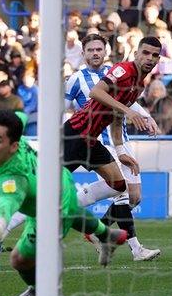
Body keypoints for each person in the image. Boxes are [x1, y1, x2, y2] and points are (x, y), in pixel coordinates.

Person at [0, 110, 128, 296]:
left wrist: (0, 224)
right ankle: (107, 234)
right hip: (60, 177)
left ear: (13, 146)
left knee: (19, 259)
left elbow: (7, 201)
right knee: (73, 210)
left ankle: (38, 294)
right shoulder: (16, 132)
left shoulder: (12, 178)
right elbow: (19, 116)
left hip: (52, 206)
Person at [64, 36, 163, 262]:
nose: (149, 58)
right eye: (145, 53)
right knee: (46, 189)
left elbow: (117, 117)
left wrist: (121, 152)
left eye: (155, 55)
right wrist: (130, 112)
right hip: (74, 135)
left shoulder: (138, 83)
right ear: (136, 53)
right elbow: (95, 93)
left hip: (93, 139)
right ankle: (2, 231)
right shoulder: (120, 71)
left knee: (124, 189)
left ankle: (98, 230)